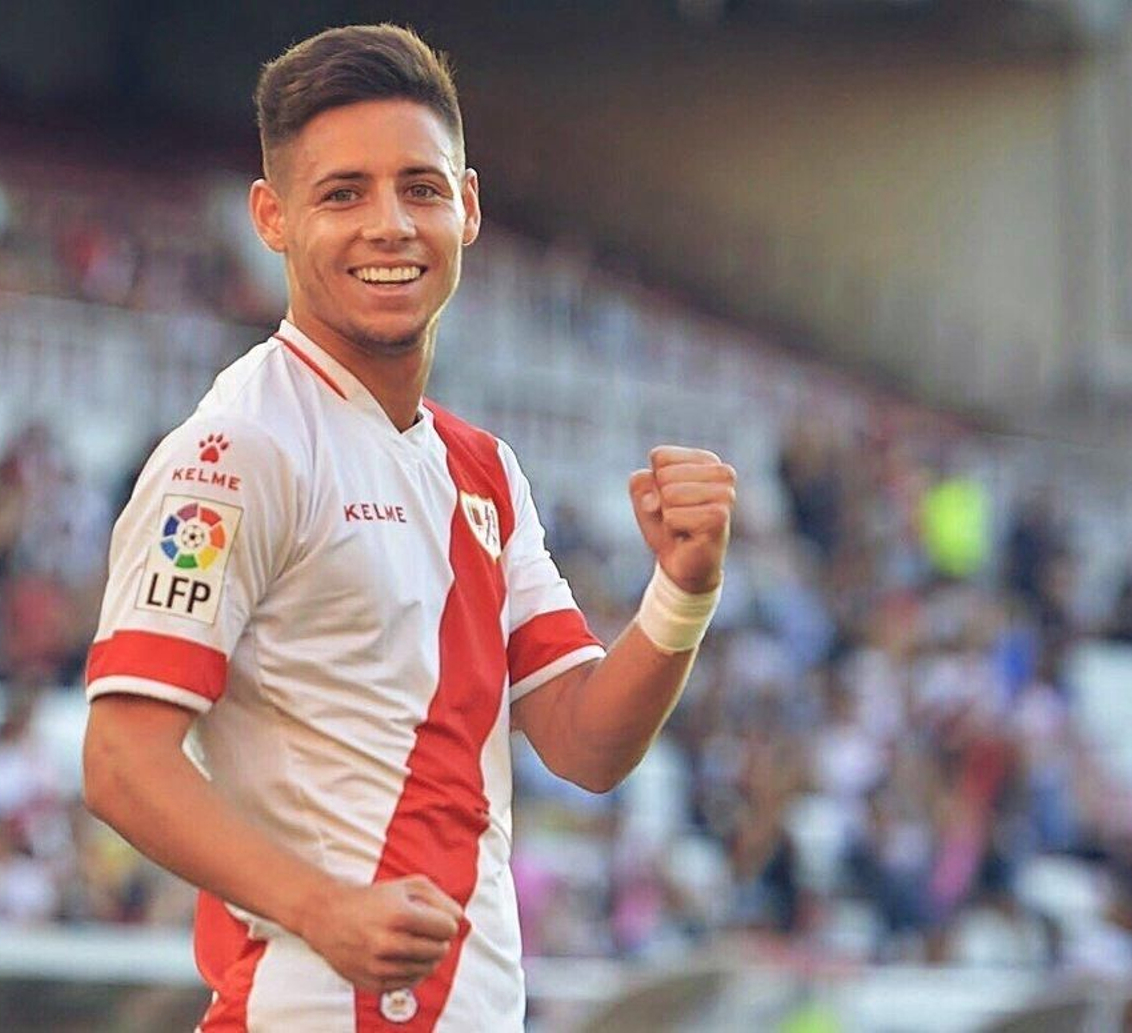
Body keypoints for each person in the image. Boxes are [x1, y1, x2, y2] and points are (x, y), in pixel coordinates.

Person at [81, 24, 737, 1032]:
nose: (389, 224)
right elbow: (123, 761)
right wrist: (322, 909)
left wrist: (682, 591)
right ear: (273, 217)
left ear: (466, 208)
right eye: (342, 193)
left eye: (419, 188)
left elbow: (584, 741)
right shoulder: (237, 449)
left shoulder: (481, 469)